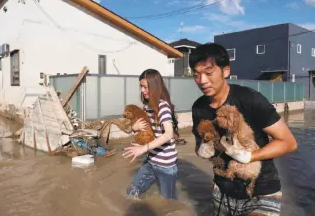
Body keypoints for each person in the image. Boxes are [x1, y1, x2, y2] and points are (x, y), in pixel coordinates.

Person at [189, 43, 298, 216]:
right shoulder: (199, 108)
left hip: (261, 191)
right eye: (196, 75)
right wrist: (203, 149)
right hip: (222, 191)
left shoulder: (250, 99)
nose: (202, 80)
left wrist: (249, 156)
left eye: (208, 73)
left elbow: (289, 143)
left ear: (226, 71)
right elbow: (198, 146)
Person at [122, 68, 179, 200]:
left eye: (145, 87)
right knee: (132, 193)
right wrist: (134, 128)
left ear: (155, 87)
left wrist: (143, 148)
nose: (142, 90)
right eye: (141, 87)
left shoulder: (162, 107)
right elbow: (145, 131)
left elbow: (169, 134)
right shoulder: (146, 108)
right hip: (151, 161)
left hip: (166, 165)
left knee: (169, 202)